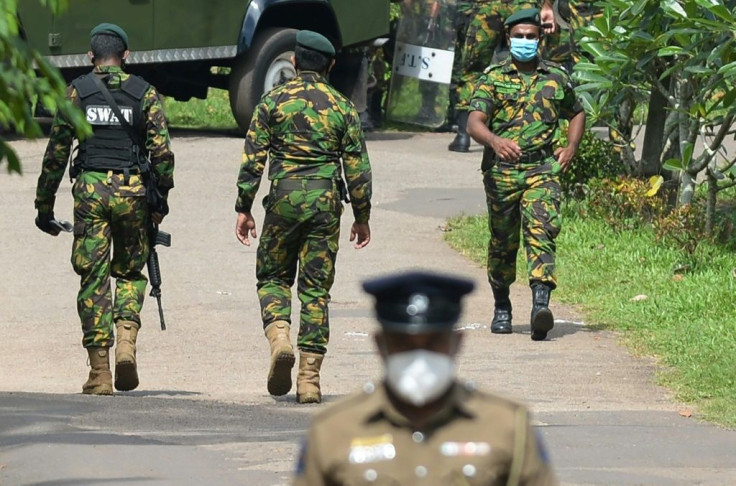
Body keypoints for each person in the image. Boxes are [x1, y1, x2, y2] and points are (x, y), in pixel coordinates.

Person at [293, 271, 558, 485]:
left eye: (433, 343)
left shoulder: (506, 427)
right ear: (380, 345)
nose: (419, 357)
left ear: (457, 344)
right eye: (404, 344)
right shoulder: (333, 431)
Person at [34, 23, 175, 395]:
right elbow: (162, 156)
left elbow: (56, 156)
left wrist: (44, 208)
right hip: (132, 192)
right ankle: (127, 344)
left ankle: (100, 374)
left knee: (93, 280)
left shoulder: (77, 93)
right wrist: (159, 202)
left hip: (91, 194)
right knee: (129, 271)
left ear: (90, 57)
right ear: (125, 56)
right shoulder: (145, 94)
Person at [234, 30, 373, 404]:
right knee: (315, 291)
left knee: (274, 276)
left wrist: (244, 207)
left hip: (283, 200)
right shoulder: (343, 108)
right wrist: (362, 216)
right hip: (326, 204)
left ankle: (280, 337)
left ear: (293, 63)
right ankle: (309, 380)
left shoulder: (272, 102)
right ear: (330, 65)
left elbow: (253, 160)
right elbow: (358, 170)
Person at [466, 8, 585, 340]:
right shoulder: (493, 77)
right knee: (503, 242)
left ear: (541, 38)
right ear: (508, 38)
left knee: (542, 230)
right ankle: (502, 305)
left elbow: (576, 112)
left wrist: (571, 146)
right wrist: (494, 140)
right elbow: (474, 122)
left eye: (530, 36)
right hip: (502, 172)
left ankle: (539, 305)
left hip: (542, 168)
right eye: (518, 36)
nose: (524, 42)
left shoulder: (556, 76)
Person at [448, 0, 556, 153]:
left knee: (472, 69)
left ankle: (462, 136)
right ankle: (531, 130)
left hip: (489, 6)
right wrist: (547, 4)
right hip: (523, 5)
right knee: (533, 67)